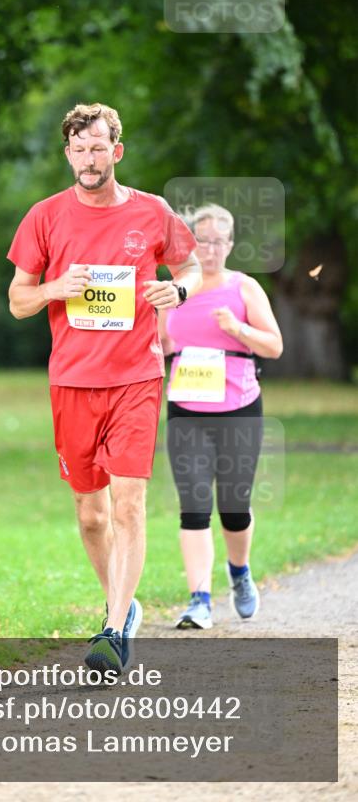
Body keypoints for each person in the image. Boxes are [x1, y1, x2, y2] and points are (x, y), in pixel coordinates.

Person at [7, 103, 201, 674]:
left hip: (137, 376)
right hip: (72, 381)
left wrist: (177, 292)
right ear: (68, 155)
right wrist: (55, 288)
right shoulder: (44, 217)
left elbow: (190, 268)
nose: (89, 160)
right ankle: (124, 601)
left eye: (98, 148)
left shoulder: (153, 211)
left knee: (129, 504)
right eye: (79, 150)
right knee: (91, 514)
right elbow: (18, 301)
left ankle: (113, 630)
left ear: (116, 151)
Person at [158, 203, 283, 630]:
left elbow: (274, 346)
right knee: (194, 507)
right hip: (186, 410)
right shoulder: (174, 290)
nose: (209, 249)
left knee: (234, 507)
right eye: (202, 241)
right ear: (189, 244)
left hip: (239, 410)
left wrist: (237, 329)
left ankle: (240, 571)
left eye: (217, 241)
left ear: (229, 245)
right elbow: (160, 344)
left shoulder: (244, 288)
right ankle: (199, 600)